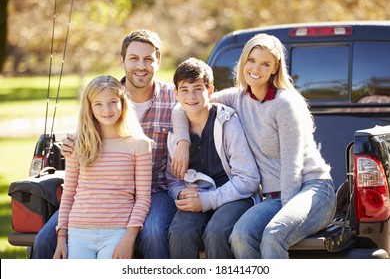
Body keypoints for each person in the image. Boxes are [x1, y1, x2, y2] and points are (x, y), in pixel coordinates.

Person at [172, 33, 336, 259]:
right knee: (240, 235)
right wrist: (182, 140)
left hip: (310, 189)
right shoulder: (237, 97)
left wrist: (283, 215)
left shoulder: (285, 103)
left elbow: (292, 166)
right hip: (274, 196)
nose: (256, 69)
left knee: (273, 234)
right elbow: (188, 104)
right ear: (243, 61)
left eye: (265, 64)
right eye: (251, 60)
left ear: (275, 68)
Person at [33, 29, 189, 259]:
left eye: (148, 59)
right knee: (45, 239)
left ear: (158, 61)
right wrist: (73, 141)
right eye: (134, 58)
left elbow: (203, 105)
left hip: (156, 188)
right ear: (122, 61)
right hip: (104, 192)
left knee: (154, 233)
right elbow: (90, 122)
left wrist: (183, 139)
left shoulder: (172, 96)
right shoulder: (109, 94)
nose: (141, 66)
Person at [166, 57, 260, 259]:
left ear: (210, 91)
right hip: (198, 195)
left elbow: (249, 179)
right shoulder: (175, 135)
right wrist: (181, 194)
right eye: (184, 90)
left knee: (216, 232)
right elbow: (173, 180)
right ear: (176, 93)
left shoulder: (228, 123)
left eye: (198, 88)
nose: (191, 96)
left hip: (234, 195)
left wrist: (207, 200)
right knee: (179, 233)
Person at [52, 75, 153, 259]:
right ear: (89, 107)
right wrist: (61, 238)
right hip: (79, 231)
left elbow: (143, 199)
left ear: (123, 102)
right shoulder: (77, 143)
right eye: (98, 104)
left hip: (117, 232)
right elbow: (69, 194)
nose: (106, 110)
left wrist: (129, 238)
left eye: (112, 102)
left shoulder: (139, 145)